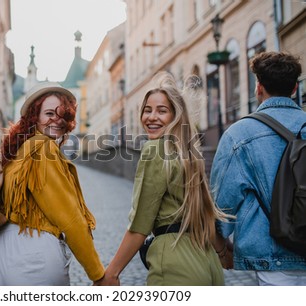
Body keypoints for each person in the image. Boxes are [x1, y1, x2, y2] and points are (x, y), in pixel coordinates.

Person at [97, 72, 231, 286]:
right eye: (147, 110)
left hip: (175, 265)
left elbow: (140, 224)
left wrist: (111, 273)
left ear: (176, 116)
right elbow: (205, 214)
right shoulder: (189, 155)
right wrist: (222, 251)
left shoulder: (156, 150)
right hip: (208, 265)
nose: (151, 117)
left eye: (162, 111)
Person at [0, 81, 105, 285]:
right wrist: (97, 274)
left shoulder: (10, 151)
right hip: (33, 253)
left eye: (63, 115)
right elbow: (69, 217)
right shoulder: (43, 148)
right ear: (35, 116)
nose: (58, 120)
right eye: (50, 114)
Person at [210, 51, 306, 286]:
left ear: (258, 87)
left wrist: (222, 247)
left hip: (272, 258)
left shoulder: (238, 134)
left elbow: (222, 207)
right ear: (295, 88)